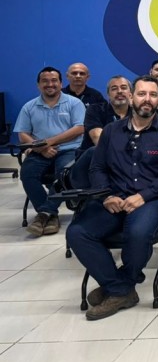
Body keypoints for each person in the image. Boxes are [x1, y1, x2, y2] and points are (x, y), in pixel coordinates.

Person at [66, 76, 158, 320]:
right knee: (77, 232)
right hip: (113, 198)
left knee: (138, 233)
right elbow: (97, 167)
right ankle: (120, 288)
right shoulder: (111, 131)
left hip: (152, 199)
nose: (147, 99)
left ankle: (119, 287)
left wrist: (143, 196)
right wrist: (106, 195)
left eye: (153, 95)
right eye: (142, 94)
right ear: (131, 98)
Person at [15, 67, 86, 236]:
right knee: (27, 173)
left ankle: (44, 213)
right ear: (38, 85)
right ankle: (50, 214)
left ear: (61, 83)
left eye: (54, 80)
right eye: (45, 81)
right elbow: (22, 134)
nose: (50, 84)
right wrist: (41, 148)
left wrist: (47, 143)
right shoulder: (29, 107)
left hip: (69, 149)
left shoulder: (74, 103)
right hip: (40, 152)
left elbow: (79, 129)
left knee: (63, 173)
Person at [79, 75, 132, 155]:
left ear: (131, 94)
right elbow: (98, 139)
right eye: (114, 89)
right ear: (108, 95)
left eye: (124, 88)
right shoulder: (95, 110)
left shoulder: (137, 114)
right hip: (94, 157)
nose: (119, 91)